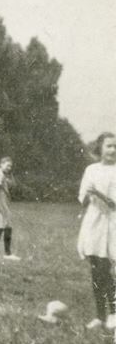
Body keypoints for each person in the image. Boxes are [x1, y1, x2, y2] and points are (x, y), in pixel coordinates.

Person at [76, 132, 116, 330]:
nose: (113, 150)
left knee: (105, 270)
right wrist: (88, 194)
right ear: (100, 148)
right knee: (96, 271)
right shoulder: (91, 169)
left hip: (113, 224)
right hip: (94, 223)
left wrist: (104, 197)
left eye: (115, 146)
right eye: (109, 146)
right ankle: (100, 316)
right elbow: (82, 197)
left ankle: (113, 314)